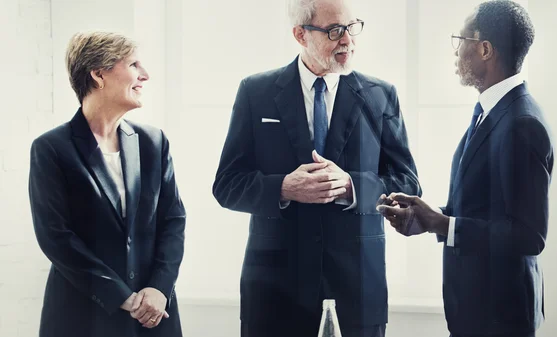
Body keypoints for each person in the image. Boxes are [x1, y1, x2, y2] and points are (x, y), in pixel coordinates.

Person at [212, 0, 421, 336]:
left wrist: (351, 186)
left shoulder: (381, 95)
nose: (348, 41)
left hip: (357, 289)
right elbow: (227, 184)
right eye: (334, 31)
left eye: (352, 28)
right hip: (274, 291)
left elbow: (408, 184)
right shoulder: (256, 92)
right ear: (300, 35)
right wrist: (283, 187)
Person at [377, 1, 554, 337]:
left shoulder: (522, 123)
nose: (455, 53)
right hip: (476, 314)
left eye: (461, 42)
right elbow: (485, 210)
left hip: (501, 320)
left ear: (485, 49)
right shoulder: (492, 112)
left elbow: (529, 235)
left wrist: (443, 222)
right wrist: (429, 221)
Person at [28, 31, 186, 337]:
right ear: (98, 75)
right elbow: (56, 238)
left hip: (154, 313)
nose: (145, 75)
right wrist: (123, 298)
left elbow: (173, 220)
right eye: (134, 64)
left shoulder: (154, 143)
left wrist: (159, 288)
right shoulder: (50, 148)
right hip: (82, 315)